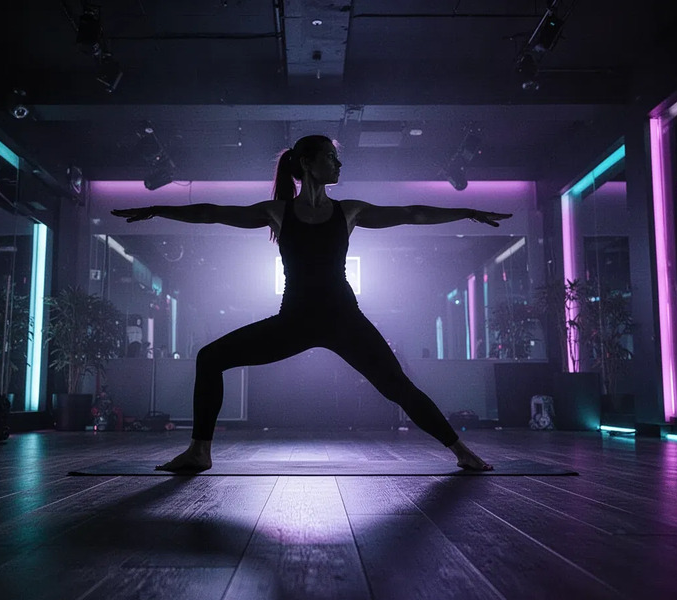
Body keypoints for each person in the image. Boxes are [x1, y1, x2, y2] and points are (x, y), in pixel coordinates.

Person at [112, 135, 511, 472]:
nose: (339, 163)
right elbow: (211, 213)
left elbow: (410, 213)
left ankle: (461, 452)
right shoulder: (277, 211)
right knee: (210, 357)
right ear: (307, 163)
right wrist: (157, 208)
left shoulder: (349, 210)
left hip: (344, 319)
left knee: (398, 387)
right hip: (295, 321)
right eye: (331, 157)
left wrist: (467, 211)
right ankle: (200, 452)